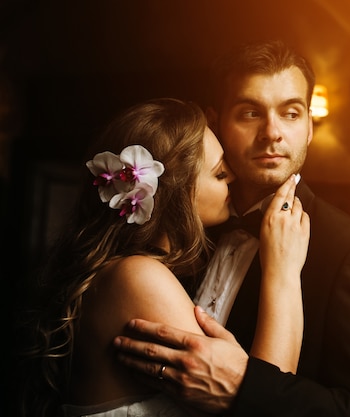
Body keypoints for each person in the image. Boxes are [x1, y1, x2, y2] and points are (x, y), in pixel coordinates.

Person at [114, 40, 350, 416]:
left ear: (308, 126)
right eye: (250, 113)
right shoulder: (178, 228)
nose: (272, 132)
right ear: (215, 122)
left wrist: (246, 389)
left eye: (290, 114)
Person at [16, 98, 310, 417]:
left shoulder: (126, 272)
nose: (233, 177)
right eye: (219, 173)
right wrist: (283, 272)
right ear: (177, 192)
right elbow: (268, 405)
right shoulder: (137, 276)